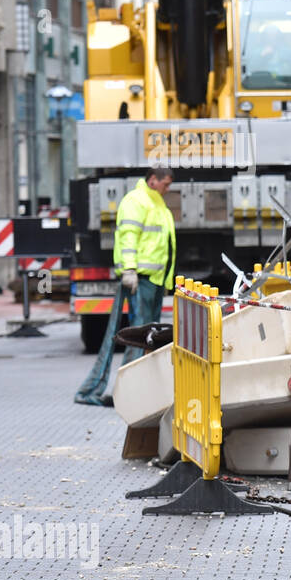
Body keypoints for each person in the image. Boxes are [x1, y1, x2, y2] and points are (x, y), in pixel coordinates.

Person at [75, 166, 177, 405]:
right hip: (140, 280)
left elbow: (162, 246)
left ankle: (138, 389)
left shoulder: (156, 203)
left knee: (148, 337)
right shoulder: (137, 201)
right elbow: (128, 237)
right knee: (138, 336)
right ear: (153, 180)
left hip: (154, 280)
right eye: (166, 184)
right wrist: (129, 269)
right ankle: (126, 391)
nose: (168, 188)